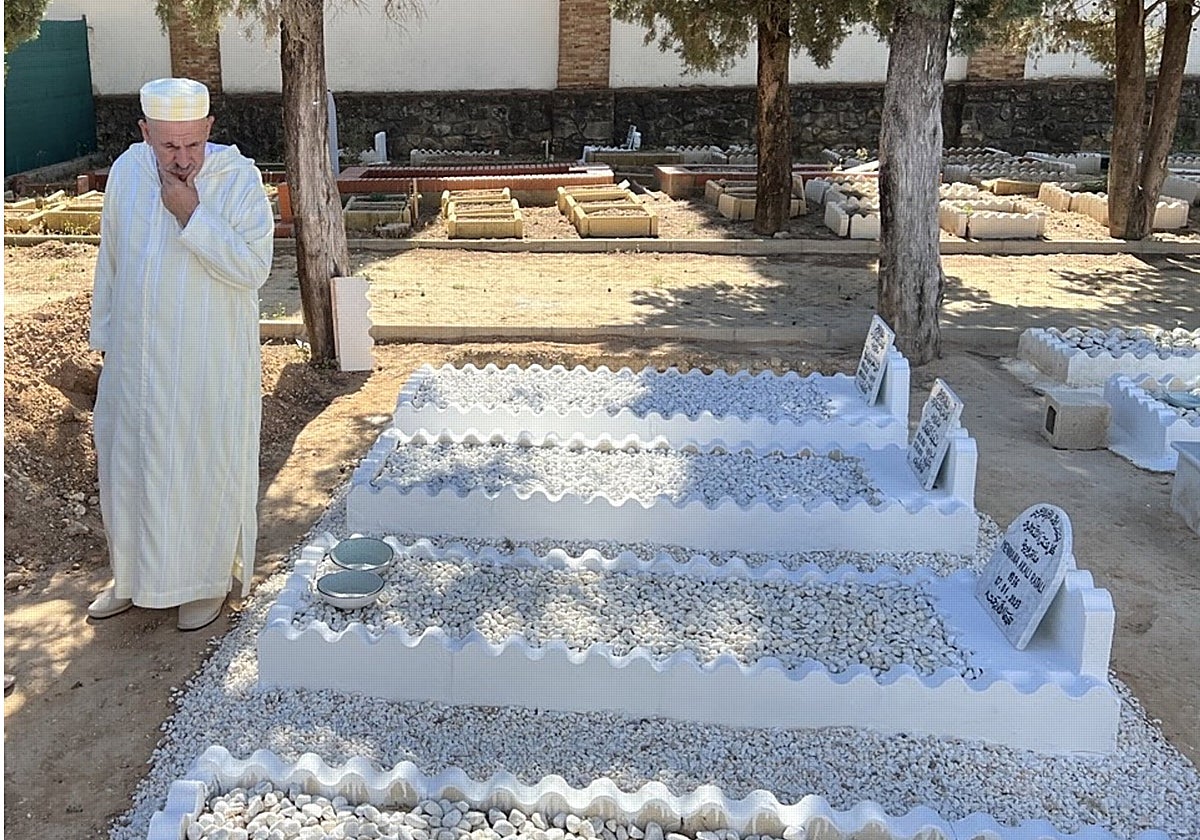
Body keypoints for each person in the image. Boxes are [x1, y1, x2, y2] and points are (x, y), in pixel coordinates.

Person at [87, 78, 274, 631]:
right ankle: (134, 578)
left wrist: (191, 212)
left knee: (197, 465)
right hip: (136, 362)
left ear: (208, 131)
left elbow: (253, 268)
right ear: (146, 133)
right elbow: (112, 262)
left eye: (192, 144)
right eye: (169, 146)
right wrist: (106, 341)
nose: (182, 157)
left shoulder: (236, 179)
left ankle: (203, 582)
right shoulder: (126, 172)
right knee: (131, 466)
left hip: (205, 364)